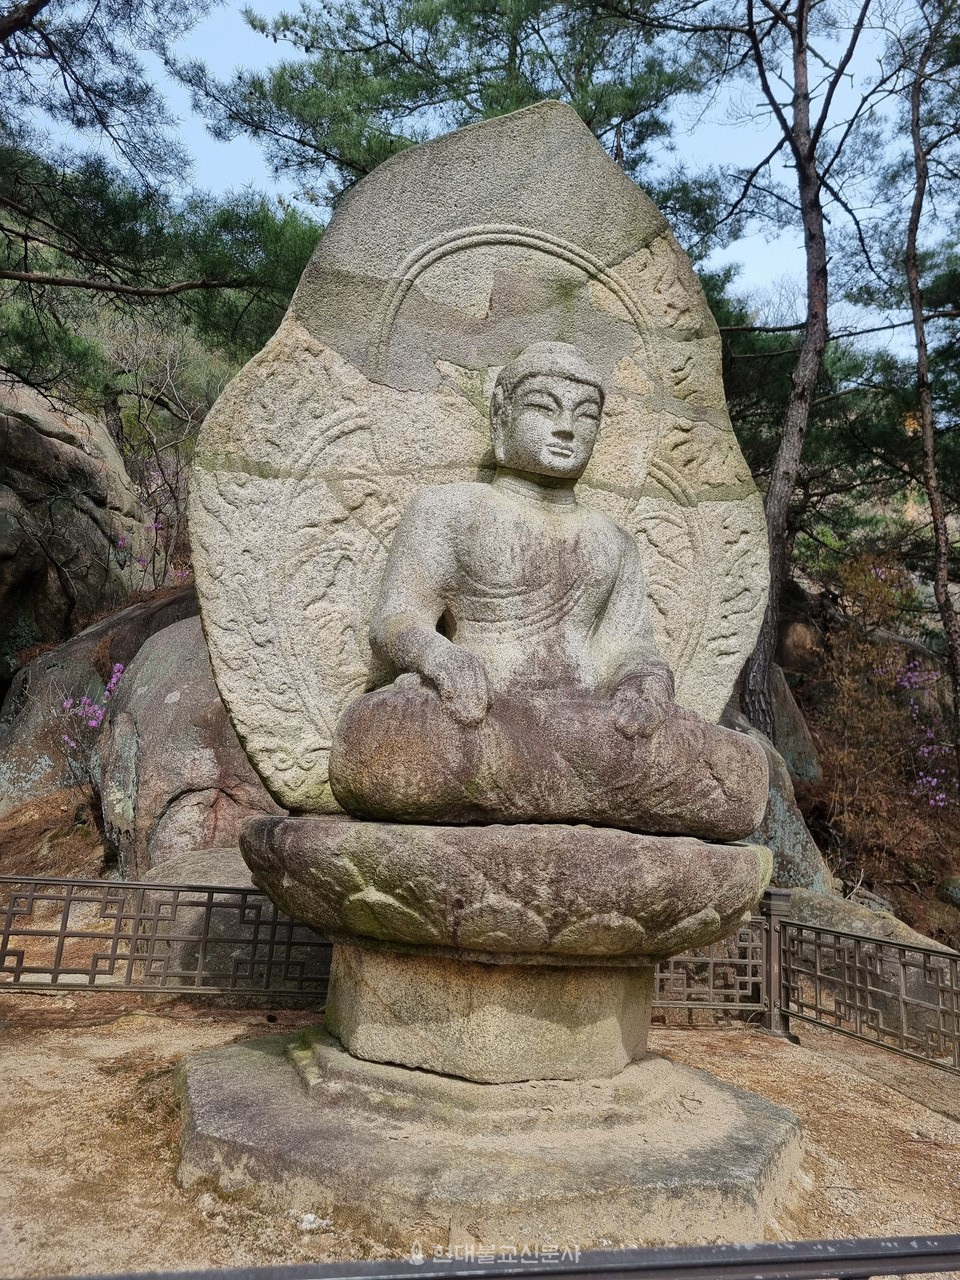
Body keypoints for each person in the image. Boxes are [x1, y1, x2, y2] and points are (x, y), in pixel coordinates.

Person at [329, 341, 768, 841]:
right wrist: (439, 657)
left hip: (587, 719)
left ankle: (545, 779)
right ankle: (578, 788)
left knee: (740, 773)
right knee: (376, 740)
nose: (567, 429)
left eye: (586, 416)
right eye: (544, 407)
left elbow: (630, 646)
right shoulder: (448, 510)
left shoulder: (614, 540)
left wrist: (645, 684)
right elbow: (396, 621)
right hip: (479, 714)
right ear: (501, 417)